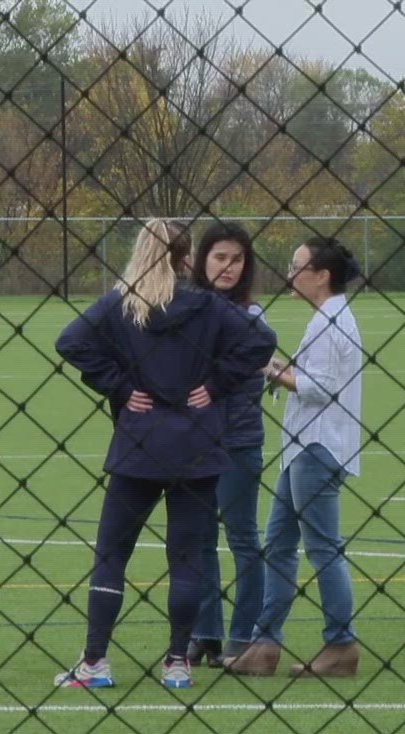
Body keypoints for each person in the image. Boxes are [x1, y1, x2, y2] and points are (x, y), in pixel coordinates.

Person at [53, 218, 277, 690]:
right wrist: (213, 385)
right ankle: (178, 661)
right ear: (186, 256)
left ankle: (95, 661)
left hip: (139, 445)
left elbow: (69, 341)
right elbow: (262, 341)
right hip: (197, 446)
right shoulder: (208, 306)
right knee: (187, 557)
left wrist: (118, 385)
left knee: (113, 554)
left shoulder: (122, 303)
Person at [227, 236, 364, 678]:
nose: (290, 274)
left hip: (317, 448)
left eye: (297, 266)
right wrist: (284, 370)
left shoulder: (329, 321)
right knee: (280, 546)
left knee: (322, 547)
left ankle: (341, 645)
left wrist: (271, 370)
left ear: (321, 275)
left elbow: (320, 386)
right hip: (305, 446)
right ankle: (265, 643)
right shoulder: (328, 318)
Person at [186, 223, 273, 667]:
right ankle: (205, 633)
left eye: (236, 259)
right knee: (198, 538)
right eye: (220, 257)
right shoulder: (189, 309)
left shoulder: (252, 317)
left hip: (237, 441)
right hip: (193, 442)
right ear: (202, 260)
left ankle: (244, 637)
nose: (228, 266)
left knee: (242, 538)